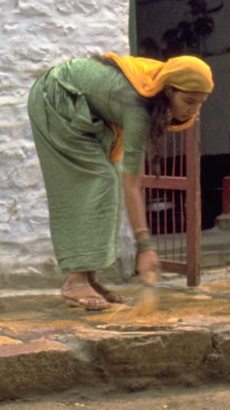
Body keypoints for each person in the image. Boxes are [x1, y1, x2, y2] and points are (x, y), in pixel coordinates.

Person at [28, 52, 213, 311]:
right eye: (189, 101)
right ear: (169, 91)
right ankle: (75, 280)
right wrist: (145, 247)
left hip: (80, 103)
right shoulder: (139, 106)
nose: (193, 110)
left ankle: (89, 278)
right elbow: (132, 184)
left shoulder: (157, 84)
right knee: (101, 180)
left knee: (108, 178)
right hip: (56, 99)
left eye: (200, 103)